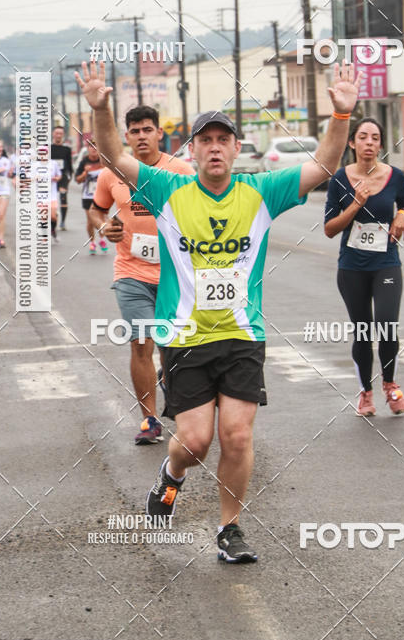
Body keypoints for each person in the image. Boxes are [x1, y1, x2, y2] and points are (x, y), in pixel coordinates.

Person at [76, 58, 361, 564]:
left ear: (234, 149)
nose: (213, 147)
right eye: (204, 140)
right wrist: (100, 108)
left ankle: (229, 529)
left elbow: (323, 165)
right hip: (184, 338)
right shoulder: (167, 190)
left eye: (221, 139)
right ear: (193, 151)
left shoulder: (260, 191)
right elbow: (117, 156)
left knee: (236, 433)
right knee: (195, 441)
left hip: (241, 334)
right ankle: (172, 476)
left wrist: (340, 117)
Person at [89, 106, 194, 444]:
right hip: (130, 271)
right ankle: (149, 419)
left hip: (174, 274)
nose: (141, 137)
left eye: (147, 130)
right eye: (134, 131)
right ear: (127, 136)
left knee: (171, 346)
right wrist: (105, 226)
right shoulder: (112, 172)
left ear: (159, 133)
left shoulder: (180, 171)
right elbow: (96, 209)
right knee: (141, 342)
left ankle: (170, 383)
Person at [324, 117, 404, 418]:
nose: (369, 143)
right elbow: (330, 229)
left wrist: (402, 213)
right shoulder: (339, 179)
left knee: (387, 324)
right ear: (352, 143)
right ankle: (367, 392)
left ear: (381, 144)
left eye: (375, 138)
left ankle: (390, 384)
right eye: (363, 137)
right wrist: (355, 205)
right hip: (352, 267)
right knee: (363, 331)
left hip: (386, 262)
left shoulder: (395, 176)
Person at [75, 139, 107, 254]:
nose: (94, 149)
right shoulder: (84, 162)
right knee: (90, 220)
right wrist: (85, 173)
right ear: (88, 149)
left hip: (102, 195)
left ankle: (102, 239)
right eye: (91, 146)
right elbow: (77, 180)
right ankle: (92, 242)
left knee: (102, 219)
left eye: (96, 146)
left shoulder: (104, 161)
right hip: (88, 196)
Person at [51, 126, 73, 230]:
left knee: (63, 197)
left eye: (60, 133)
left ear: (63, 135)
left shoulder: (67, 149)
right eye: (57, 133)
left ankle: (63, 222)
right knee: (52, 199)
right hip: (51, 177)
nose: (58, 135)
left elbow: (69, 164)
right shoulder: (48, 148)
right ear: (53, 134)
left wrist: (69, 177)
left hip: (63, 176)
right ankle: (52, 217)